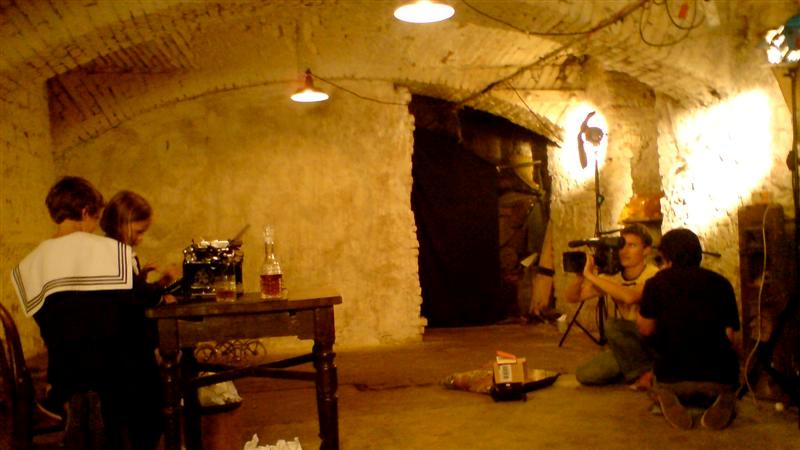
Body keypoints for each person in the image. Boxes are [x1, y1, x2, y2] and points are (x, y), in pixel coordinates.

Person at [10, 177, 164, 449]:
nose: (95, 226)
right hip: (114, 370)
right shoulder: (110, 250)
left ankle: (82, 415)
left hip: (64, 371)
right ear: (85, 212)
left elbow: (48, 320)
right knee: (143, 342)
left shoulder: (29, 264)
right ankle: (141, 436)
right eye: (95, 218)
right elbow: (140, 298)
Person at [637, 228, 740, 430]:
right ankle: (724, 396)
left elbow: (646, 330)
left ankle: (666, 394)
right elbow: (731, 335)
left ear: (666, 256)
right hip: (719, 376)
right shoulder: (722, 283)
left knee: (645, 338)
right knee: (722, 376)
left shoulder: (655, 284)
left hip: (672, 374)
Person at [565, 224, 659, 387]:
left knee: (613, 326)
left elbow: (630, 297)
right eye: (622, 245)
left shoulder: (655, 274)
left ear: (646, 250)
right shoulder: (613, 277)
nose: (624, 251)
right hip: (628, 345)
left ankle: (644, 373)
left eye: (632, 245)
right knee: (585, 374)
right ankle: (642, 370)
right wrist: (580, 275)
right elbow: (573, 297)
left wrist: (591, 276)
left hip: (652, 340)